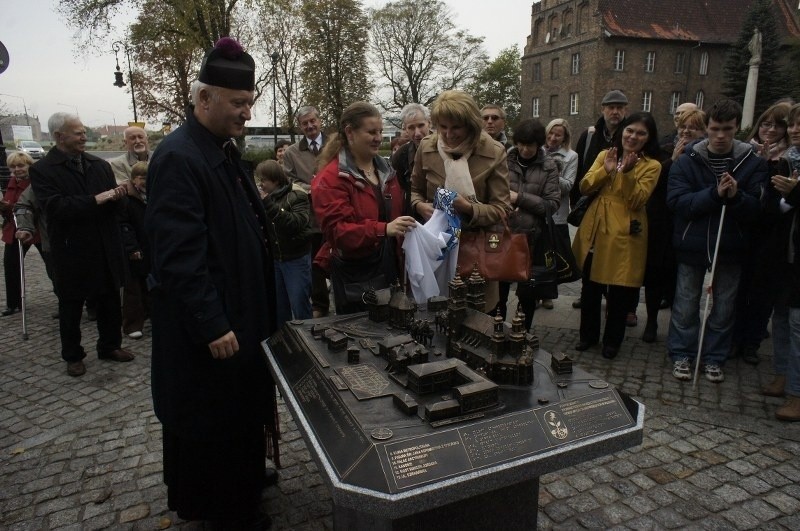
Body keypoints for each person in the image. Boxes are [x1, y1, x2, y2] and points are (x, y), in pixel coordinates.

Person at [144, 37, 278, 528]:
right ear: (204, 99)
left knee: (239, 415)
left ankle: (241, 483)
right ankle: (227, 509)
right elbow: (178, 257)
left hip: (239, 316)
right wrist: (212, 322)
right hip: (214, 332)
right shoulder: (180, 157)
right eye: (238, 103)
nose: (246, 113)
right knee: (214, 423)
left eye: (249, 103)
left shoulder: (216, 148)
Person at [667, 99, 769, 383]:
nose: (721, 135)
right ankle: (682, 353)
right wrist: (713, 195)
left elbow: (758, 208)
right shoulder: (688, 159)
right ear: (707, 129)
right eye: (715, 129)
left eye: (727, 129)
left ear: (736, 128)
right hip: (693, 244)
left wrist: (736, 197)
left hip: (731, 246)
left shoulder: (752, 163)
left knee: (723, 306)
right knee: (686, 304)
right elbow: (677, 202)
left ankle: (713, 357)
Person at [30, 112, 134, 377]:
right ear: (58, 136)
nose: (83, 136)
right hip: (71, 249)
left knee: (110, 300)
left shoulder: (98, 165)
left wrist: (120, 196)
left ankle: (110, 345)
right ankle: (73, 355)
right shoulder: (43, 170)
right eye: (77, 132)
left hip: (104, 244)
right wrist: (95, 200)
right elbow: (54, 207)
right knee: (71, 305)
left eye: (83, 131)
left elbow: (114, 205)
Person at [411, 90, 511, 312]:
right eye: (442, 127)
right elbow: (415, 190)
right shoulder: (427, 148)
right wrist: (419, 205)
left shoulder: (494, 152)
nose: (448, 134)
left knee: (476, 322)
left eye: (456, 127)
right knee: (436, 318)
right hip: (436, 251)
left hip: (476, 254)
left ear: (471, 124)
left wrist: (469, 208)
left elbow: (502, 209)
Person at [571, 112, 661, 359]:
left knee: (620, 290)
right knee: (590, 286)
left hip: (625, 229)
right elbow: (585, 186)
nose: (633, 136)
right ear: (622, 130)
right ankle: (588, 336)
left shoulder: (652, 165)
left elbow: (637, 199)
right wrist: (606, 171)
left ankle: (613, 340)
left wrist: (627, 173)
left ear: (648, 138)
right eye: (630, 130)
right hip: (597, 226)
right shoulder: (604, 155)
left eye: (641, 133)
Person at [312, 101, 415, 315]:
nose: (378, 137)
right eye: (371, 132)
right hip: (357, 277)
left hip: (391, 269)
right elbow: (338, 232)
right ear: (350, 132)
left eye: (379, 131)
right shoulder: (331, 179)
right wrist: (384, 229)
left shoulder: (387, 170)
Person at [733, 102, 792, 364]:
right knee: (738, 288)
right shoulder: (747, 152)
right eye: (766, 124)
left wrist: (769, 165)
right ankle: (733, 338)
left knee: (762, 291)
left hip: (772, 233)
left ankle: (751, 342)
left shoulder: (788, 157)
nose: (770, 129)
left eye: (778, 125)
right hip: (745, 228)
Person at [642, 109, 707, 343]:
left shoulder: (707, 155)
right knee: (654, 274)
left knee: (681, 279)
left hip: (689, 223)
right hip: (661, 222)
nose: (687, 131)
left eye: (694, 127)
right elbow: (652, 183)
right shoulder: (664, 151)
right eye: (683, 126)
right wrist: (673, 161)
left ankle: (680, 329)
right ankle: (651, 321)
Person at [571, 89, 629, 314]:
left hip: (617, 206)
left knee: (614, 256)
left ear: (625, 110)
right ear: (603, 109)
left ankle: (615, 301)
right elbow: (579, 171)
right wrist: (577, 201)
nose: (615, 112)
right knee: (589, 256)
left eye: (620, 107)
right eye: (611, 107)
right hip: (591, 202)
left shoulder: (629, 135)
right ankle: (589, 296)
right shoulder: (590, 135)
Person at [499, 119, 560, 329]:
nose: (525, 149)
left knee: (527, 296)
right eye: (521, 144)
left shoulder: (549, 166)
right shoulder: (503, 161)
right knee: (500, 292)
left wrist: (519, 198)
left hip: (531, 239)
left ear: (539, 144)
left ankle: (521, 336)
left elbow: (552, 205)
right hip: (504, 234)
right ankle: (495, 333)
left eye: (530, 145)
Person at [766, 102, 800, 421]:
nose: (795, 129)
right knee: (780, 316)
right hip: (785, 251)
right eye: (792, 124)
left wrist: (796, 193)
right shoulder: (788, 159)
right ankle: (781, 376)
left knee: (797, 324)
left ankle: (797, 394)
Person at [283, 105, 329, 318]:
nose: (310, 126)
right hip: (310, 217)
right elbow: (289, 181)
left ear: (320, 121)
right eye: (305, 123)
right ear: (300, 127)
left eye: (313, 121)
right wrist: (312, 188)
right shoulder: (292, 152)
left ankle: (348, 298)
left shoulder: (335, 145)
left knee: (340, 256)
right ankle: (320, 305)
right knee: (314, 262)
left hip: (334, 211)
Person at [256, 159, 312, 327]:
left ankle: (309, 340)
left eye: (263, 180)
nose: (261, 184)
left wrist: (268, 205)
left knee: (299, 305)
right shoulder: (267, 198)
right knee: (281, 308)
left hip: (296, 260)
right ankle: (285, 342)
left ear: (275, 180)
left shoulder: (297, 195)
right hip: (277, 260)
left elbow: (295, 224)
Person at [542, 118, 579, 310]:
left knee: (554, 256)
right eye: (551, 133)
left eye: (558, 134)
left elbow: (568, 186)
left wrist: (553, 171)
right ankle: (535, 291)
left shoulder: (571, 156)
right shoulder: (538, 151)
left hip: (557, 214)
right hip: (537, 210)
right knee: (536, 254)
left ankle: (548, 294)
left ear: (565, 137)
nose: (553, 138)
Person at [1, 152, 39, 316]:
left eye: (21, 165)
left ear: (29, 166)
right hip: (14, 230)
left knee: (53, 265)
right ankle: (14, 303)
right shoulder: (10, 183)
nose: (17, 169)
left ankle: (64, 299)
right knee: (11, 265)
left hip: (36, 229)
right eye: (14, 166)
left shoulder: (36, 183)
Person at [120, 161, 150, 339]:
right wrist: (131, 247)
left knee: (151, 285)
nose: (146, 182)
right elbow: (124, 225)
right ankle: (132, 324)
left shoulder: (153, 194)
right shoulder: (126, 198)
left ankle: (151, 315)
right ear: (133, 179)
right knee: (133, 289)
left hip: (150, 245)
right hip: (135, 248)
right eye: (142, 178)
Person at [391, 103, 431, 216]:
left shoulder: (447, 148)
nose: (417, 133)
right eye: (411, 128)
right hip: (415, 221)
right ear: (405, 129)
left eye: (421, 125)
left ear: (429, 123)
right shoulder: (400, 156)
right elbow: (401, 192)